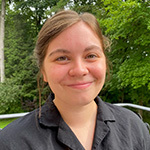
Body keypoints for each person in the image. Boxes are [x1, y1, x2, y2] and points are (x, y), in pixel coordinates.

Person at [0, 10, 149, 150]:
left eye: (91, 55)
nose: (79, 70)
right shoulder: (11, 142)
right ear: (43, 71)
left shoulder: (133, 127)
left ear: (105, 62)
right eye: (62, 58)